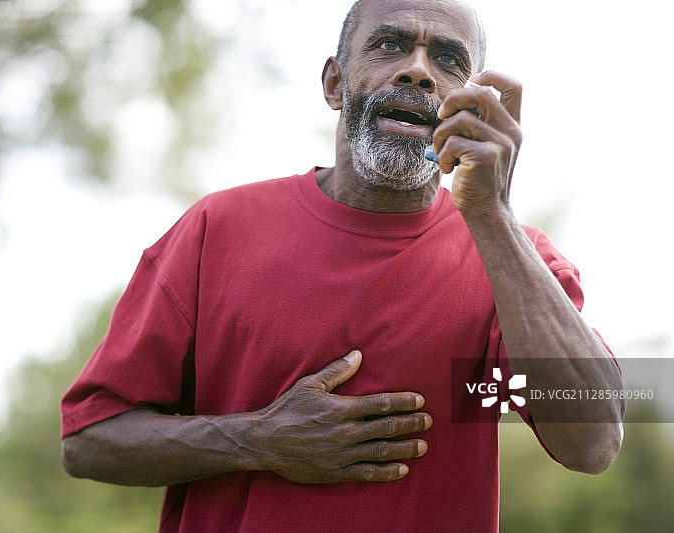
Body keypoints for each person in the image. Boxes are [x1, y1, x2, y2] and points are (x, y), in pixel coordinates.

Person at [60, 0, 625, 531]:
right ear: (334, 83)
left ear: (475, 102)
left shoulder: (515, 258)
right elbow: (89, 438)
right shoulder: (217, 229)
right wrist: (258, 440)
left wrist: (493, 215)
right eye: (389, 46)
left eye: (448, 60)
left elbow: (593, 444)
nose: (418, 72)